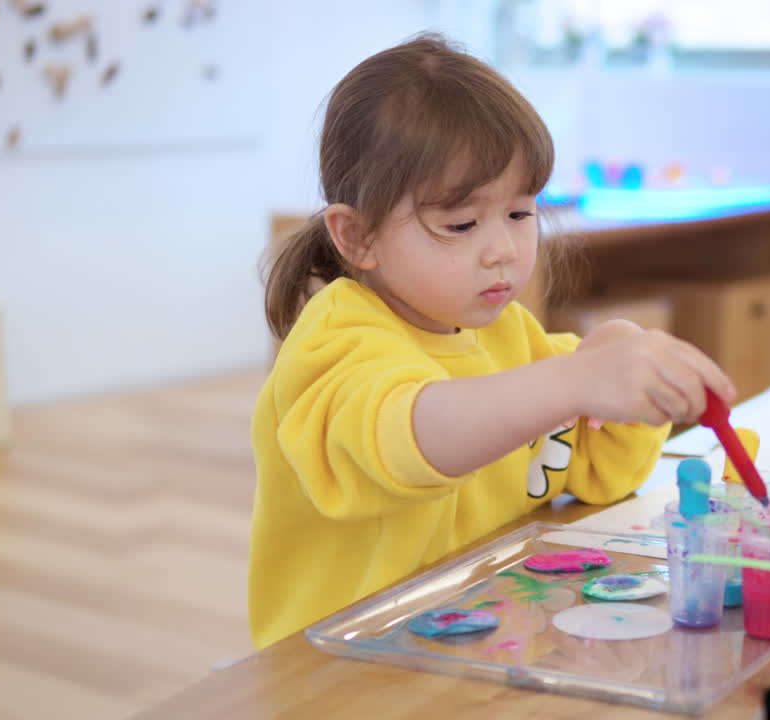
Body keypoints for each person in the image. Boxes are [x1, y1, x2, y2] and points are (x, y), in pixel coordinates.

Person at [248, 33, 735, 648]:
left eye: (520, 213)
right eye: (460, 223)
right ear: (357, 236)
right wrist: (573, 381)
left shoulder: (508, 336)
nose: (504, 249)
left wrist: (622, 385)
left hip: (478, 633)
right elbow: (405, 436)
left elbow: (592, 475)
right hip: (343, 665)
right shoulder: (339, 339)